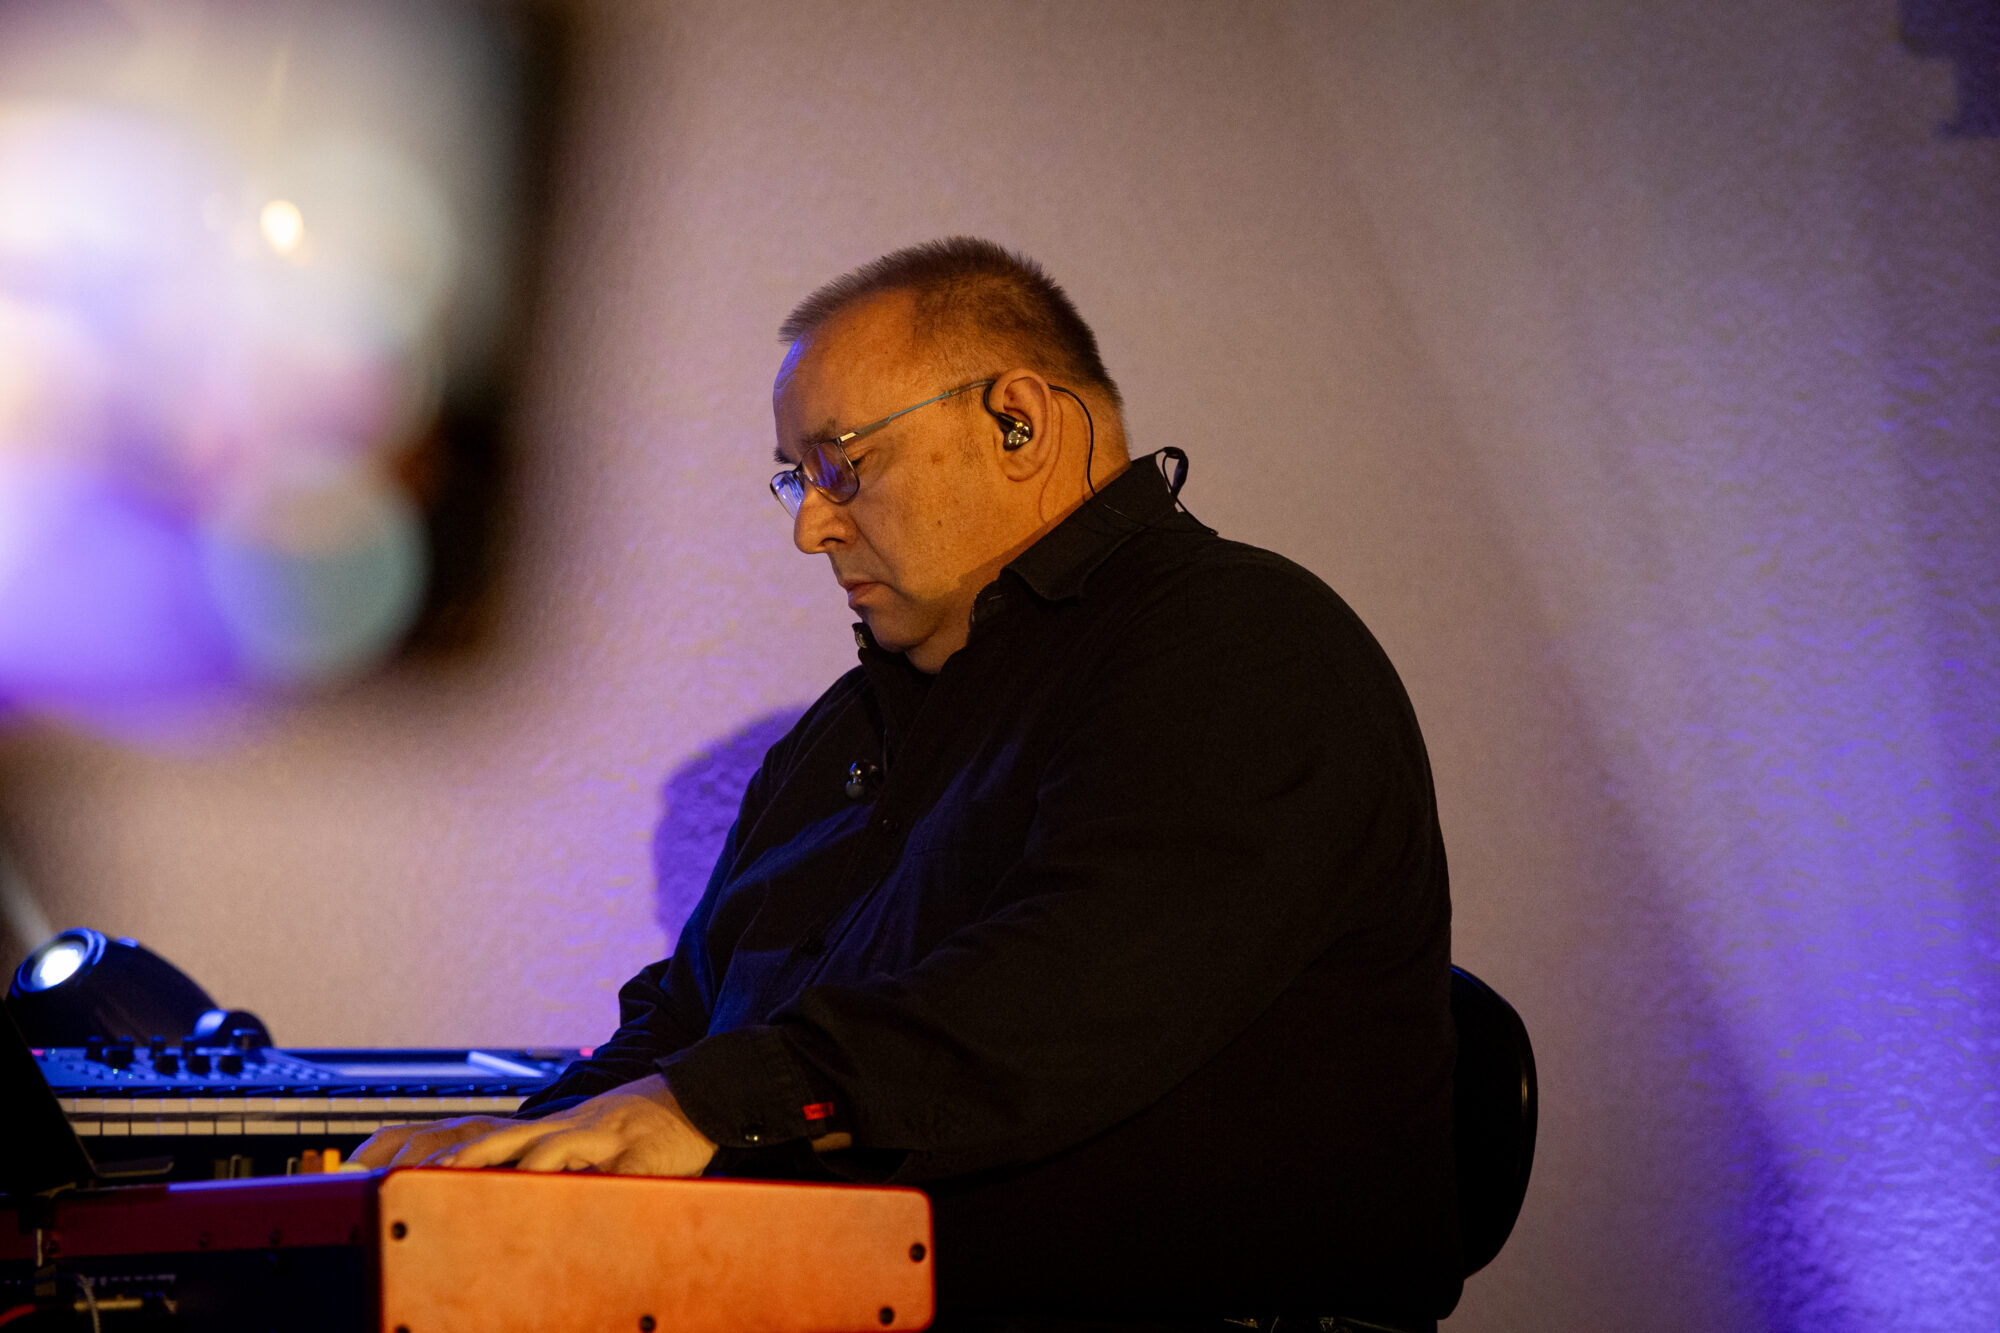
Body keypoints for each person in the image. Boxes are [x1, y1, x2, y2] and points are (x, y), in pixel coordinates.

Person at [354, 238, 1461, 1326]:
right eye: (797, 478)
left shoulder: (1242, 644)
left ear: (1017, 421)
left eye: (841, 464)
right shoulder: (850, 727)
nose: (810, 526)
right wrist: (513, 1154)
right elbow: (690, 1009)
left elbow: (1063, 994)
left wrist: (708, 1105)